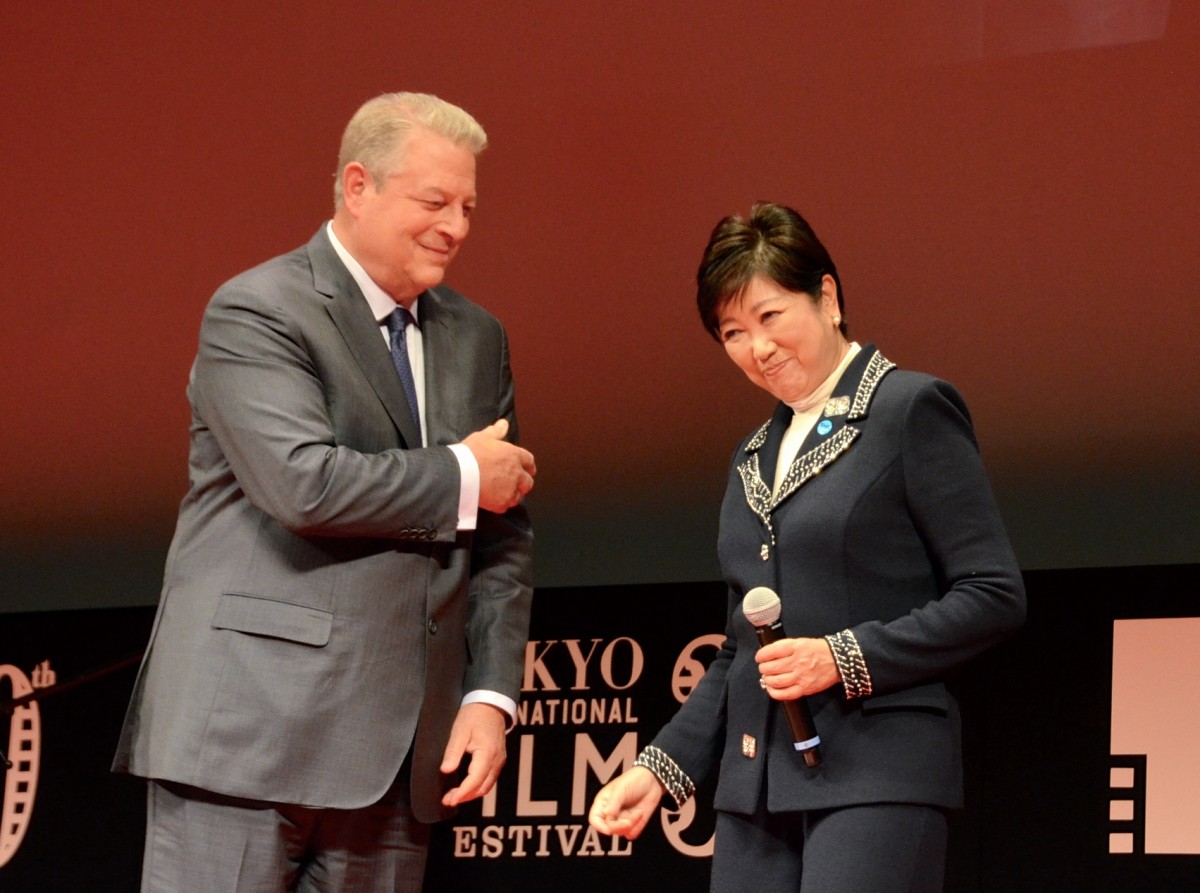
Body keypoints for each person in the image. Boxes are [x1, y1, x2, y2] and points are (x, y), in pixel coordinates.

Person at [113, 92, 536, 892]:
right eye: (434, 201)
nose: (457, 226)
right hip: (247, 738)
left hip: (398, 759)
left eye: (469, 206)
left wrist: (489, 693)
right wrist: (465, 472)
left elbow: (505, 535)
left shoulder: (479, 338)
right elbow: (304, 483)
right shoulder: (259, 308)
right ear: (357, 185)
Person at [588, 202, 1025, 892]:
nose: (756, 348)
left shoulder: (909, 410)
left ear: (826, 296)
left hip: (876, 774)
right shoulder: (753, 456)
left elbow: (993, 594)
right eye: (732, 331)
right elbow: (739, 649)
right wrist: (658, 768)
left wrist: (841, 656)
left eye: (769, 316)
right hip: (756, 791)